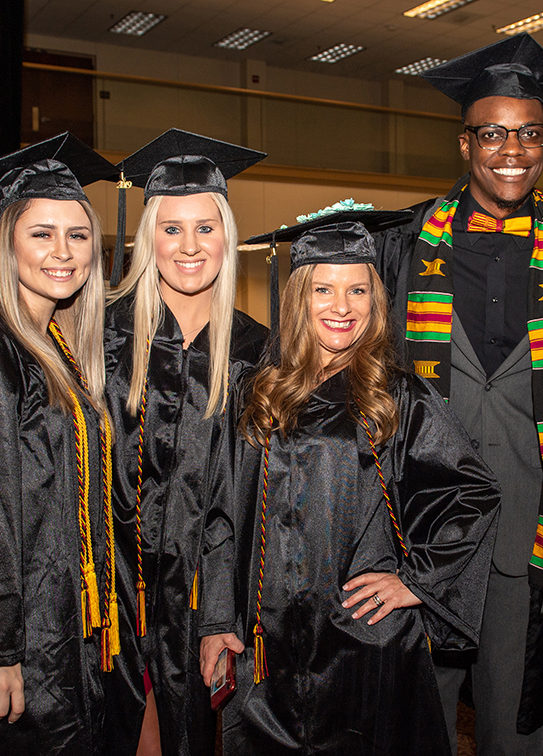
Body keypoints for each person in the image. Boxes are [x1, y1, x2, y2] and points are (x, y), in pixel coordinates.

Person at [373, 32, 543, 755]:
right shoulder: (405, 246)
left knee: (513, 725)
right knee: (421, 719)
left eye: (530, 133)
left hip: (527, 526)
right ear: (465, 143)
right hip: (423, 523)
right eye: (494, 133)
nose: (514, 149)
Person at [199, 211, 502, 755]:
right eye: (324, 289)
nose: (341, 307)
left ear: (375, 300)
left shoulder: (397, 397)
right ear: (298, 298)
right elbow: (221, 513)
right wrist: (218, 618)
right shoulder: (255, 393)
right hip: (266, 647)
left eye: (357, 289)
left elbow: (472, 494)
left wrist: (417, 582)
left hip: (365, 644)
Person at [103, 129, 268, 756]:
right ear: (149, 239)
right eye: (171, 228)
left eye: (206, 226)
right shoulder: (106, 337)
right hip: (116, 590)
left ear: (228, 237)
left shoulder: (258, 351)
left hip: (210, 600)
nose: (190, 246)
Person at [0, 133, 117, 754]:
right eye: (42, 233)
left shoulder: (56, 346)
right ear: (7, 245)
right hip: (20, 640)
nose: (63, 252)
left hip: (63, 627)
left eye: (78, 235)